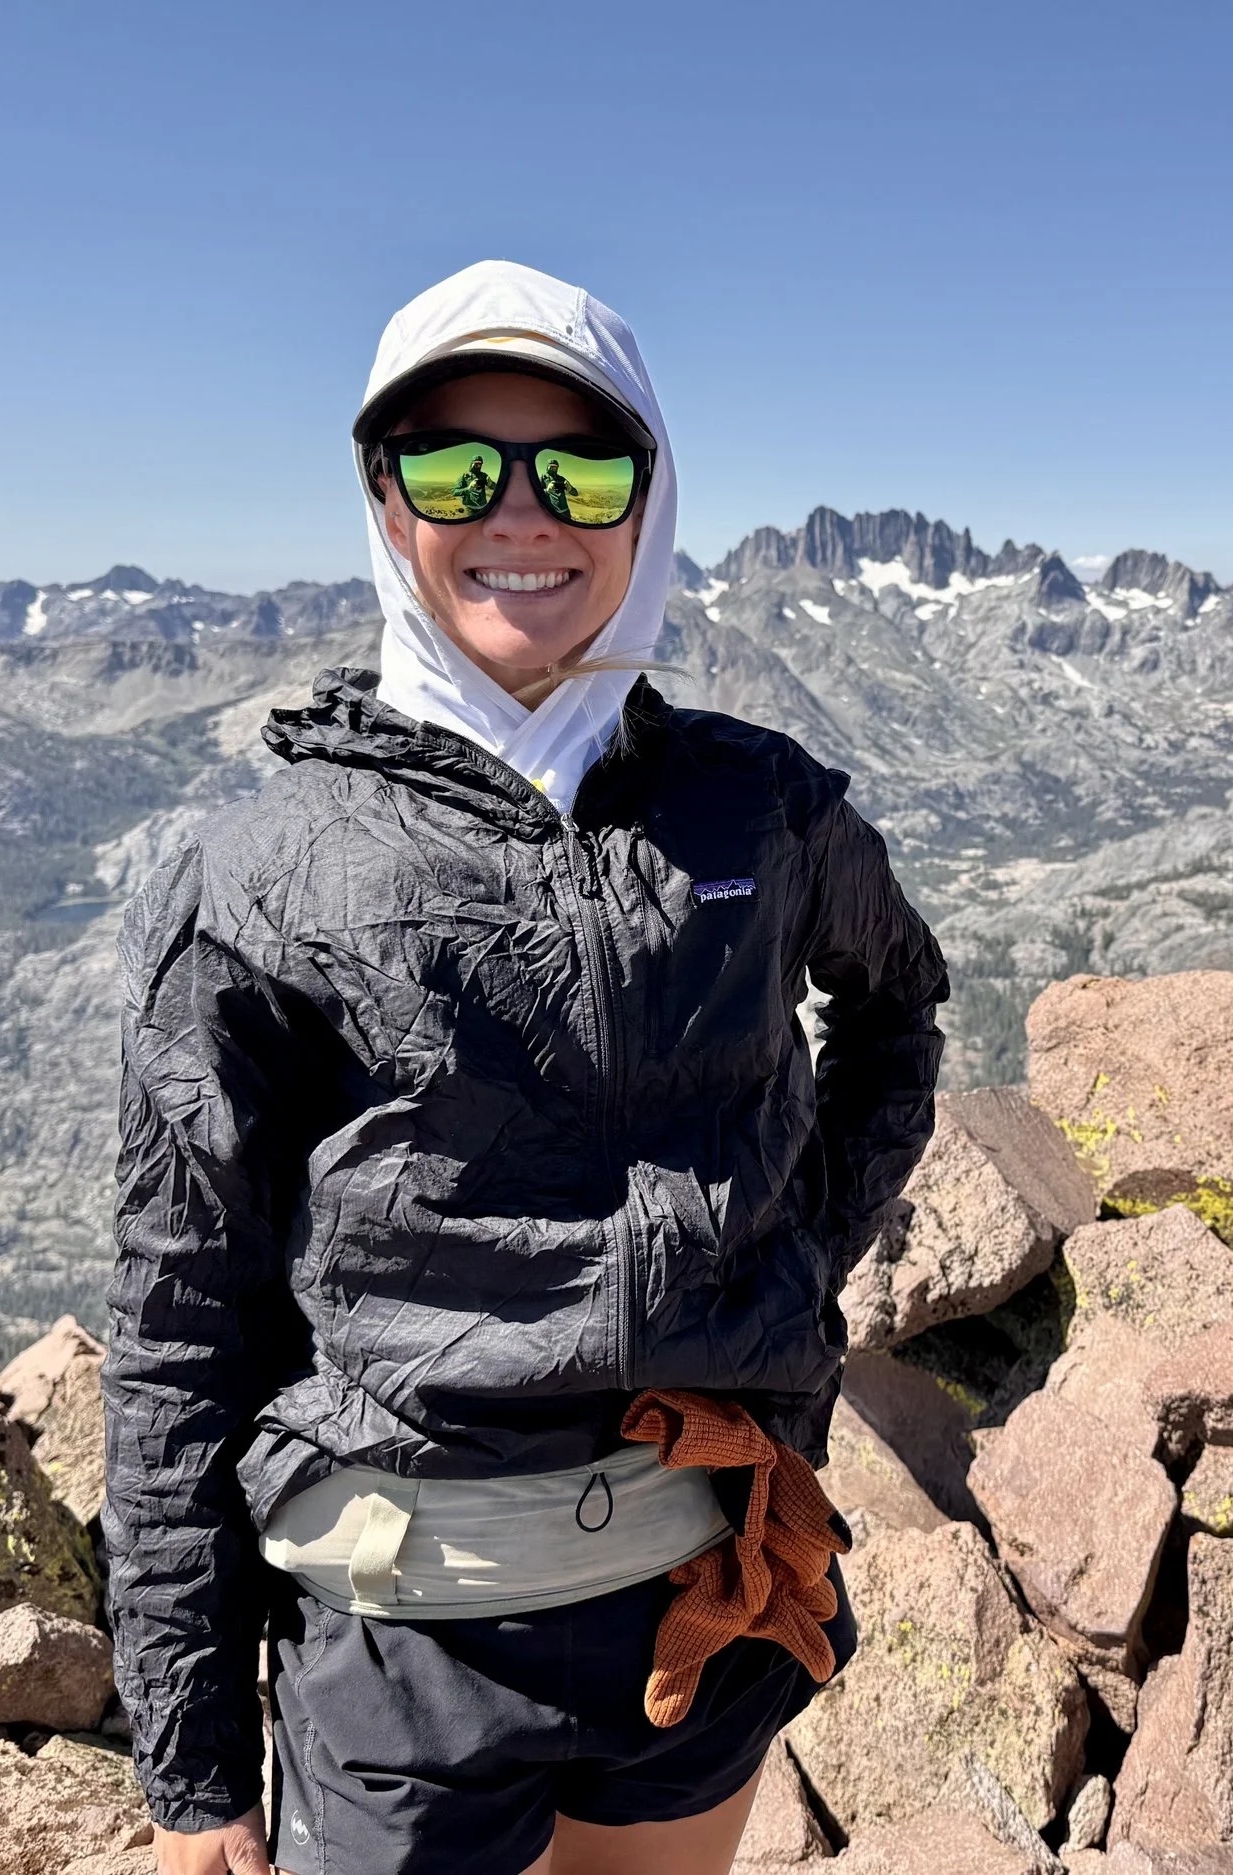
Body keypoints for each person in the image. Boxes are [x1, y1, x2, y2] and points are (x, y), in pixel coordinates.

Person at [103, 260, 947, 1875]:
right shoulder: (262, 877)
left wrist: (792, 1254)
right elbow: (176, 1320)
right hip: (401, 1646)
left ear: (649, 499)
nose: (519, 512)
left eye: (579, 467)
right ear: (382, 498)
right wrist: (193, 1757)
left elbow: (899, 1002)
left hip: (699, 1593)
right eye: (451, 466)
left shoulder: (755, 807)